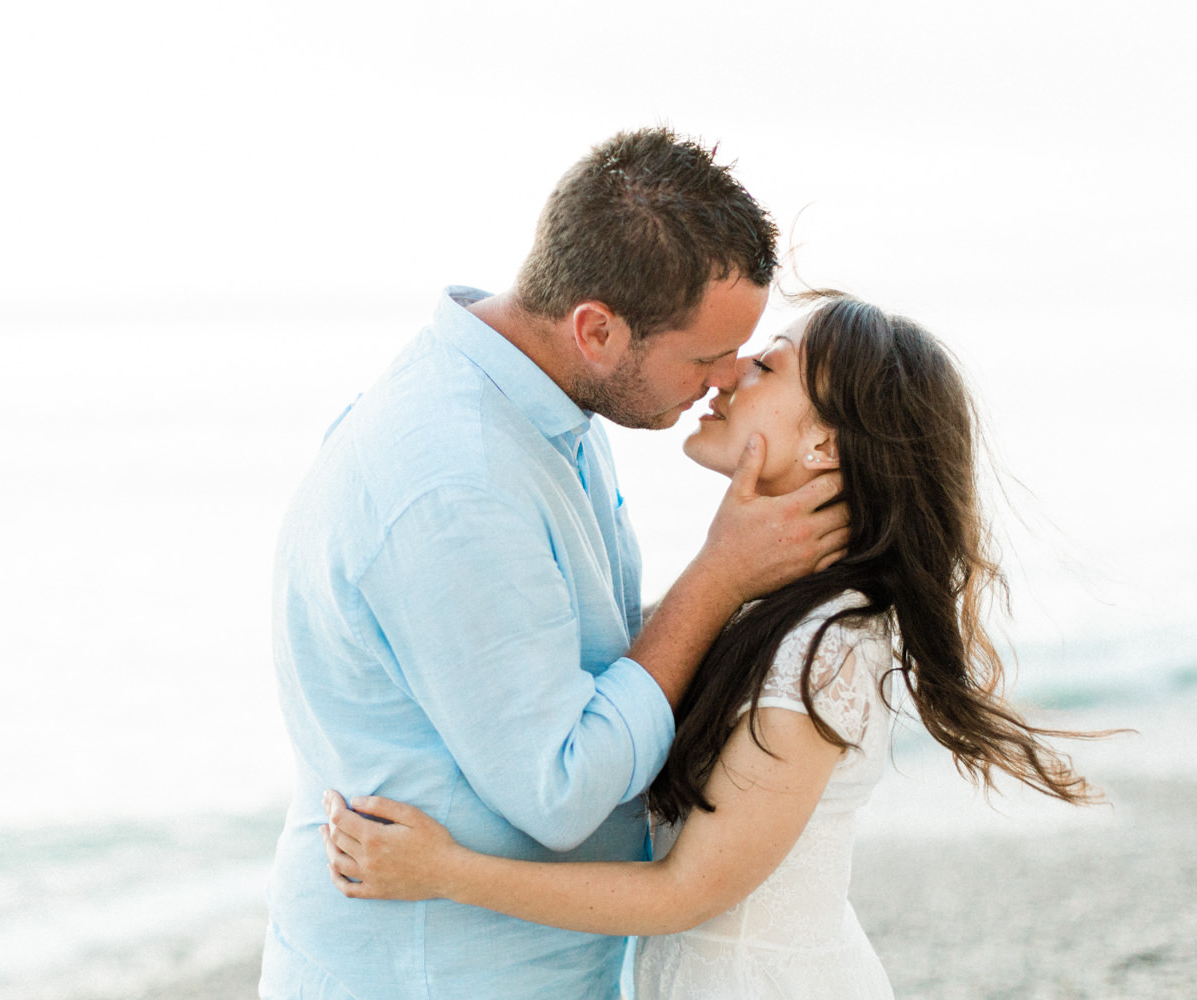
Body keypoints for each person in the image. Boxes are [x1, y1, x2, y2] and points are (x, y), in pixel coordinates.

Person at [321, 295, 1108, 999]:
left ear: (825, 448)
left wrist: (445, 872)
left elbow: (684, 892)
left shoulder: (825, 648)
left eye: (766, 366)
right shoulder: (760, 601)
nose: (729, 376)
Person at [260, 129, 850, 1000]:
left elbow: (585, 659)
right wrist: (718, 576)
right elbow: (562, 788)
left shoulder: (546, 408)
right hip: (436, 975)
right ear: (598, 329)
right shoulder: (457, 480)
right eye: (703, 356)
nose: (725, 378)